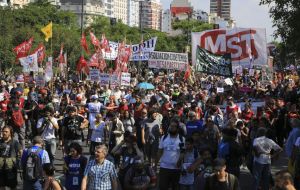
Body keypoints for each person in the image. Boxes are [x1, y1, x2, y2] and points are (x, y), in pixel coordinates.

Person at [155, 120, 185, 190]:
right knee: (163, 187)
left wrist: (179, 160)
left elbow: (183, 152)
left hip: (176, 169)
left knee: (176, 187)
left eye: (174, 126)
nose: (172, 128)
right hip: (164, 168)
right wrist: (155, 165)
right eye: (171, 126)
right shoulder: (164, 137)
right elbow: (159, 152)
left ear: (177, 128)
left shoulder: (182, 139)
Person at [0, 126, 22, 190]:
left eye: (6, 132)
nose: (4, 133)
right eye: (3, 131)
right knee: (1, 186)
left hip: (11, 169)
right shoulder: (0, 142)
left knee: (13, 186)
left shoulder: (15, 142)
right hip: (1, 168)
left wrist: (17, 161)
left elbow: (21, 151)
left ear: (10, 133)